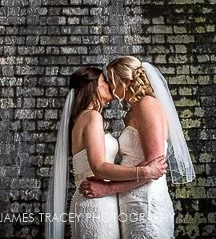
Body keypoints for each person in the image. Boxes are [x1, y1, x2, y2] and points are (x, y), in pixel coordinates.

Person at [45, 66, 168, 239]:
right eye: (105, 80)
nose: (111, 85)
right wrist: (145, 171)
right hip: (96, 200)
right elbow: (99, 167)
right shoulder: (92, 117)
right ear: (93, 85)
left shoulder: (84, 118)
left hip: (95, 198)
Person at [80, 56, 196, 238]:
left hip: (147, 199)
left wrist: (109, 189)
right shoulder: (132, 112)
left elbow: (154, 164)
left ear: (125, 80)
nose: (110, 85)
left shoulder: (147, 104)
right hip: (131, 197)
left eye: (112, 80)